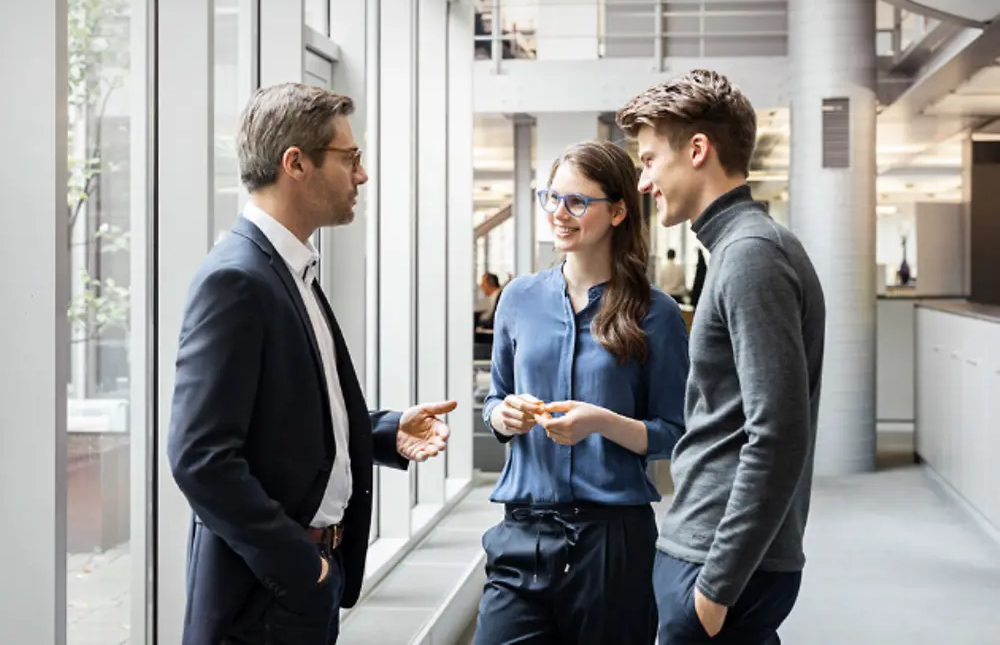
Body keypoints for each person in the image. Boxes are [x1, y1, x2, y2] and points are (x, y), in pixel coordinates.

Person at [167, 83, 454, 645]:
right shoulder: (237, 279)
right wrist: (302, 567)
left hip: (298, 586)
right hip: (263, 596)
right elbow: (200, 458)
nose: (362, 175)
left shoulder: (289, 270)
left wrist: (384, 431)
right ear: (295, 163)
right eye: (350, 159)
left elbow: (285, 420)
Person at [617, 69, 826, 644]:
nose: (643, 181)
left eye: (650, 159)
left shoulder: (751, 255)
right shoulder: (741, 248)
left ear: (699, 150)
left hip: (719, 562)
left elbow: (778, 432)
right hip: (716, 553)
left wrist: (715, 589)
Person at [474, 140, 690, 645]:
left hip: (611, 540)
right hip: (522, 532)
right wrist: (502, 416)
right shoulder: (519, 299)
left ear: (617, 211)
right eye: (552, 198)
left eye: (577, 202)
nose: (559, 214)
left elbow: (675, 434)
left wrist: (600, 422)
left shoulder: (655, 313)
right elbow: (495, 399)